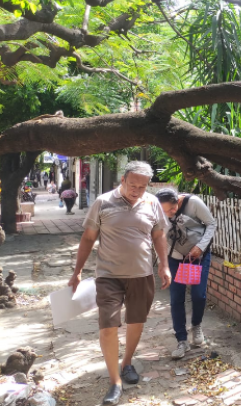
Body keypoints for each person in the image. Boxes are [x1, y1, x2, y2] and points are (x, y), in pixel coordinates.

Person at [67, 161, 171, 406]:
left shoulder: (153, 202)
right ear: (123, 180)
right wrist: (77, 271)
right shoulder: (103, 202)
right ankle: (115, 382)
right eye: (132, 184)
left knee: (136, 322)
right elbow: (88, 238)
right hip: (108, 275)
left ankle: (127, 363)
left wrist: (164, 265)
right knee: (108, 326)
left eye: (142, 187)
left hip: (141, 275)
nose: (136, 190)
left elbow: (158, 235)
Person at [155, 188, 216, 359]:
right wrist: (163, 263)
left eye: (172, 209)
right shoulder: (158, 212)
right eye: (165, 211)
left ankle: (196, 326)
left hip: (196, 256)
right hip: (175, 257)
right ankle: (182, 340)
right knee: (176, 298)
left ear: (178, 201)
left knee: (198, 295)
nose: (169, 214)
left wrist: (200, 247)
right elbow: (159, 237)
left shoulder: (193, 203)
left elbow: (211, 224)